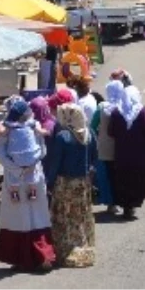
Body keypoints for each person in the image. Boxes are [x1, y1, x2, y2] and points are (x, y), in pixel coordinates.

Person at [0, 97, 57, 270]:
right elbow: (42, 151)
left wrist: (17, 169)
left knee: (16, 217)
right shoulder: (33, 127)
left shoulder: (5, 131)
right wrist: (30, 167)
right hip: (34, 178)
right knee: (38, 215)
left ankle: (19, 257)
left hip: (13, 181)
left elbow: (0, 155)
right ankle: (43, 256)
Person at [45, 103, 98, 267]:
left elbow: (56, 163)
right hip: (82, 183)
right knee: (81, 215)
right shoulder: (90, 134)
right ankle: (84, 248)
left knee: (65, 217)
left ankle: (66, 251)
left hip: (65, 183)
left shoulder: (63, 137)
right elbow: (95, 157)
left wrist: (49, 183)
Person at [105, 80, 145, 219]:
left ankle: (126, 206)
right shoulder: (142, 111)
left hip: (122, 153)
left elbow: (110, 132)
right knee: (138, 177)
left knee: (123, 178)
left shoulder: (116, 112)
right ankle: (134, 204)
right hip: (140, 154)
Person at [93, 91, 118, 216]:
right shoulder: (125, 105)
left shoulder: (102, 108)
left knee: (107, 175)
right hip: (122, 147)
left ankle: (111, 204)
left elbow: (92, 126)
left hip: (105, 147)